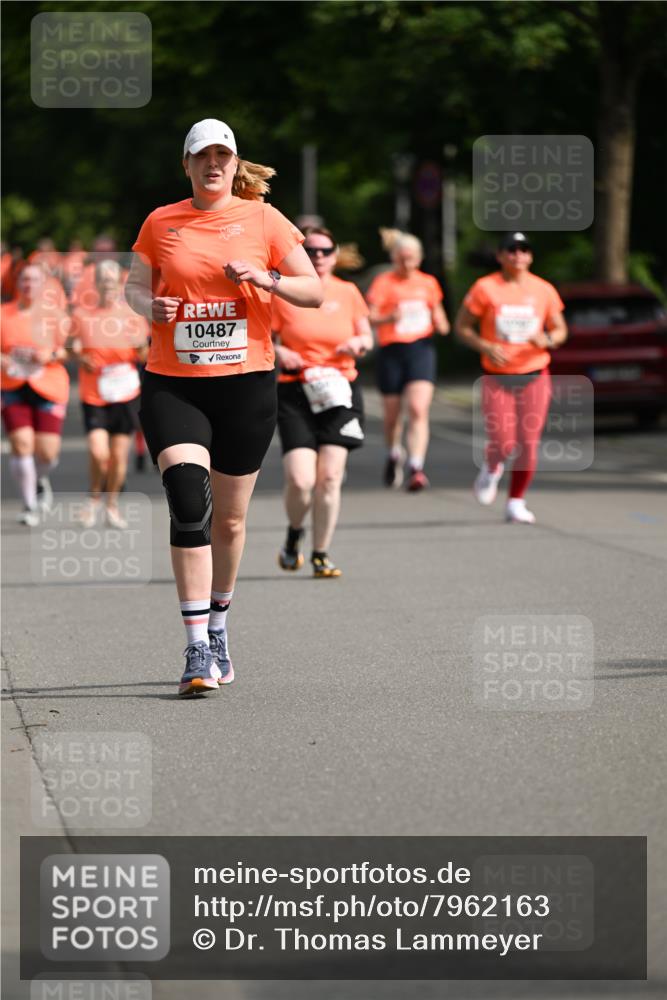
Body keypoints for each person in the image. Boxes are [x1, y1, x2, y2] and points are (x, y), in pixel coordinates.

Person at [125, 118, 321, 697]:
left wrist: (268, 278)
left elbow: (314, 291)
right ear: (185, 164)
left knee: (230, 519)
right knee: (189, 503)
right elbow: (134, 286)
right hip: (175, 383)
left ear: (236, 166)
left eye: (223, 156)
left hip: (246, 384)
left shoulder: (264, 220)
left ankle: (218, 626)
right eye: (202, 156)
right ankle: (194, 649)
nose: (213, 165)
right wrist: (148, 306)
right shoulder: (162, 221)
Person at [272, 226, 373, 578]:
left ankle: (320, 553)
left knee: (329, 477)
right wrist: (280, 351)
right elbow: (261, 338)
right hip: (296, 389)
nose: (318, 257)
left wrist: (359, 344)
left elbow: (366, 335)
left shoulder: (347, 292)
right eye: (310, 250)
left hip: (339, 389)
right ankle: (294, 533)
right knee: (301, 480)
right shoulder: (283, 289)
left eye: (325, 251)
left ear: (335, 254)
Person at [455, 231, 568, 524]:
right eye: (511, 250)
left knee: (529, 443)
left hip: (534, 373)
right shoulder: (485, 288)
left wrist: (547, 339)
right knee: (504, 442)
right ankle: (492, 466)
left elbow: (560, 329)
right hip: (497, 376)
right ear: (500, 256)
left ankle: (516, 501)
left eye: (523, 250)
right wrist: (486, 346)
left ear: (530, 256)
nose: (518, 255)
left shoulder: (543, 290)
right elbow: (462, 327)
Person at [366, 229, 450, 491]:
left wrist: (440, 324)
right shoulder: (384, 282)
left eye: (412, 258)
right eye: (402, 258)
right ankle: (394, 453)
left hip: (421, 350)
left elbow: (443, 321)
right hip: (392, 351)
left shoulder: (428, 283)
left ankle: (416, 466)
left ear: (420, 258)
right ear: (394, 258)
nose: (407, 263)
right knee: (392, 416)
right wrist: (390, 318)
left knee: (417, 408)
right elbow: (370, 317)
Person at [70, 260, 149, 528]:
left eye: (112, 280)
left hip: (125, 393)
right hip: (95, 393)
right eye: (102, 280)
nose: (107, 285)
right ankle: (94, 498)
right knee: (98, 452)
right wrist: (80, 357)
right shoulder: (82, 315)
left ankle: (112, 505)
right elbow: (71, 346)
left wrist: (140, 349)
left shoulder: (133, 315)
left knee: (118, 459)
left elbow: (146, 354)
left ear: (119, 283)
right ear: (96, 285)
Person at [0, 265, 70, 524]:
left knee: (48, 454)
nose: (29, 284)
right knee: (22, 445)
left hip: (49, 385)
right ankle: (29, 504)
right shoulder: (4, 314)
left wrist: (48, 355)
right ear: (18, 284)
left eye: (34, 280)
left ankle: (40, 479)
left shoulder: (56, 316)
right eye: (24, 279)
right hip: (11, 386)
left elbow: (68, 351)